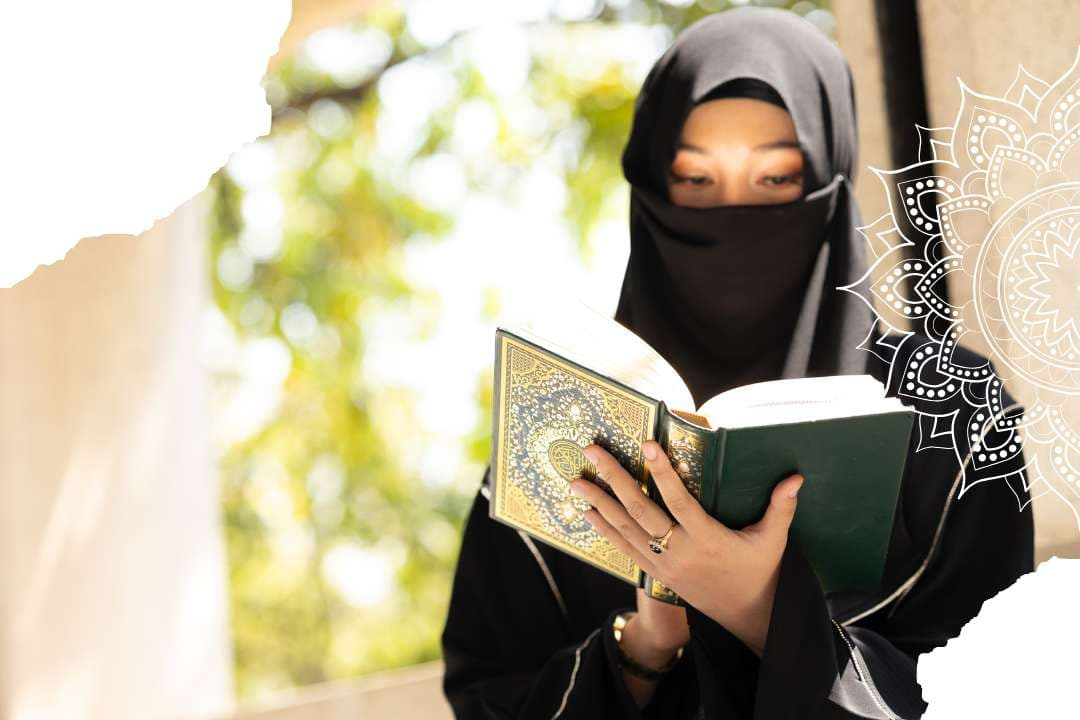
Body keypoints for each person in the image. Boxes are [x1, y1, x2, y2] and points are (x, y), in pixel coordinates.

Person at [440, 7, 1034, 719]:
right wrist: (646, 642)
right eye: (695, 184)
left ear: (832, 183)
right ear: (650, 193)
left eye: (776, 180)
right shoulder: (557, 430)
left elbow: (1003, 691)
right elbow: (487, 696)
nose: (731, 217)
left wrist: (758, 610)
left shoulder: (950, 414)